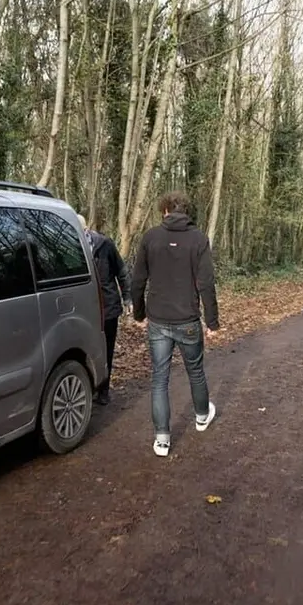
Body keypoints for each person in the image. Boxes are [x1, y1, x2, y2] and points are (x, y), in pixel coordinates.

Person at [130, 191, 219, 457]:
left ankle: (161, 439)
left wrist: (139, 314)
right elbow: (206, 284)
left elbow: (137, 280)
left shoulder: (151, 237)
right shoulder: (199, 239)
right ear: (186, 211)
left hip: (158, 319)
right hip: (188, 319)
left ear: (165, 210)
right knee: (195, 372)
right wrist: (212, 322)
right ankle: (202, 416)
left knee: (159, 378)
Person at [78, 214, 130, 406]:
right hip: (85, 308)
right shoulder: (71, 246)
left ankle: (104, 390)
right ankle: (89, 387)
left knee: (106, 348)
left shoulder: (105, 245)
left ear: (86, 230)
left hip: (108, 306)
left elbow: (122, 272)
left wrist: (127, 298)